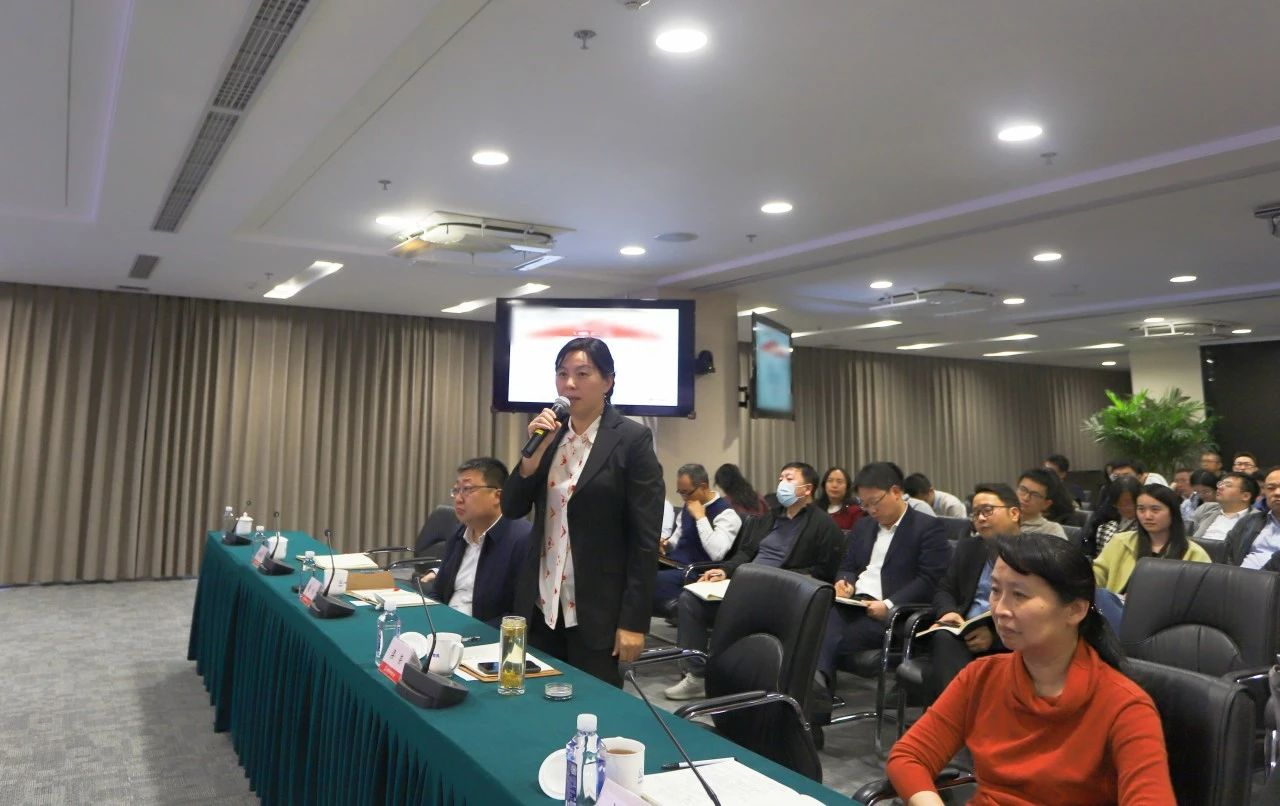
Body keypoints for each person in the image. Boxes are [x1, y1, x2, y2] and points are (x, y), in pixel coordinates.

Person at [887, 534, 1175, 805]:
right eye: (996, 591)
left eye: (1020, 595)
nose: (999, 609)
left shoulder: (1123, 706)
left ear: (1075, 610)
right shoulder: (981, 677)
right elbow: (909, 755)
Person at [501, 337, 665, 687]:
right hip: (541, 604)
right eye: (562, 374)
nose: (569, 384)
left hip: (596, 611)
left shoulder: (632, 440)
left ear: (608, 382)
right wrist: (533, 455)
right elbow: (512, 507)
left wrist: (634, 622)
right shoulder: (549, 437)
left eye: (582, 373)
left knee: (591, 708)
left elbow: (645, 540)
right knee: (534, 702)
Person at [664, 461, 842, 700]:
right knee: (691, 599)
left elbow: (823, 573)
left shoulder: (822, 525)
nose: (782, 483)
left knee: (729, 612)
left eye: (789, 479)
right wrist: (725, 571)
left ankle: (733, 678)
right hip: (747, 583)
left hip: (780, 594)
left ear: (807, 489)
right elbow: (746, 552)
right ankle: (696, 675)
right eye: (781, 478)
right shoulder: (770, 516)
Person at [813, 463, 951, 715]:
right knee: (812, 621)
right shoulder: (864, 526)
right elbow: (847, 565)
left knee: (816, 635)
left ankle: (816, 694)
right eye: (864, 504)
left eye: (874, 502)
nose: (871, 510)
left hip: (890, 615)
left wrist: (888, 605)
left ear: (896, 492)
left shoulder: (927, 527)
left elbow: (930, 580)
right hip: (854, 604)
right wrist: (844, 582)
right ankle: (816, 693)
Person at [920, 483, 1021, 702]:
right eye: (975, 513)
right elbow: (945, 589)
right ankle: (956, 713)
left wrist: (994, 637)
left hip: (1008, 639)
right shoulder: (969, 548)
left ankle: (954, 713)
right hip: (965, 631)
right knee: (944, 636)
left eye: (987, 511)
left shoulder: (1034, 554)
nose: (981, 518)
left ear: (1014, 513)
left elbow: (1038, 612)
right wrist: (948, 612)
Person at [421, 458, 533, 626]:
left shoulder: (523, 539)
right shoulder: (459, 534)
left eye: (467, 489)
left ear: (498, 496)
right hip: (446, 628)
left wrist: (467, 631)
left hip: (485, 634)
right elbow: (438, 591)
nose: (458, 499)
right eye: (456, 490)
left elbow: (520, 616)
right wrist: (437, 622)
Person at [1093, 484, 1210, 598]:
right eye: (1141, 509)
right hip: (1117, 606)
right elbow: (1096, 575)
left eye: (1155, 509)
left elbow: (1202, 596)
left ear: (1172, 512)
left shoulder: (1194, 554)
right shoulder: (1120, 542)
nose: (1147, 516)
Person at [654, 463, 742, 614]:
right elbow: (677, 540)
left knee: (645, 581)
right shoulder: (687, 507)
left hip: (694, 573)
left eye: (687, 492)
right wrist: (666, 544)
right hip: (674, 565)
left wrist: (701, 517)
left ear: (703, 487)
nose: (684, 498)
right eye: (680, 492)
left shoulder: (727, 514)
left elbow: (717, 553)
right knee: (633, 570)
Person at [1224, 467, 1280, 571]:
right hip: (1237, 577)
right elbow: (1227, 554)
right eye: (1271, 488)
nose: (1277, 492)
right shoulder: (1249, 521)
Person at [1080, 476, 1142, 557]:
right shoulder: (1104, 519)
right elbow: (1087, 541)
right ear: (1114, 503)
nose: (1127, 508)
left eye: (1131, 503)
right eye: (1122, 504)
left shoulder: (1144, 522)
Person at [1189, 472, 1258, 542]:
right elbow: (1187, 531)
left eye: (1228, 485)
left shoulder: (1258, 520)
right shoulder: (1207, 508)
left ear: (1245, 496)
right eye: (1221, 484)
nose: (1220, 487)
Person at [1014, 469, 1069, 539]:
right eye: (1023, 490)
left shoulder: (1052, 530)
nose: (1026, 498)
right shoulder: (1003, 519)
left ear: (1046, 504)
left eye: (1035, 495)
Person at [815, 465, 865, 530]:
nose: (834, 485)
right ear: (824, 485)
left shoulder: (855, 511)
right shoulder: (815, 509)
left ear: (847, 486)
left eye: (839, 481)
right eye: (830, 481)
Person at [902, 473, 967, 519]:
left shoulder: (952, 505)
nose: (921, 507)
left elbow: (961, 530)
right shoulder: (911, 504)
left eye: (924, 501)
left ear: (931, 491)